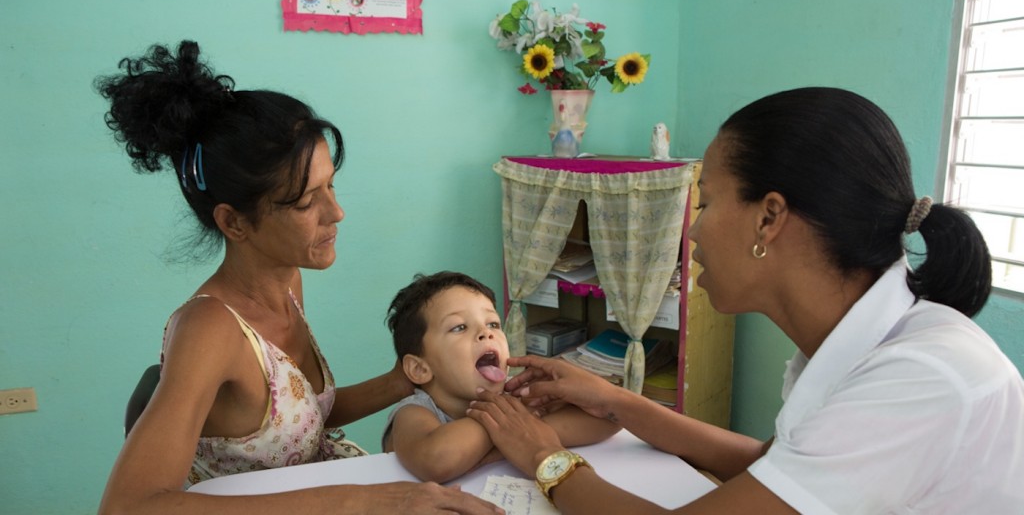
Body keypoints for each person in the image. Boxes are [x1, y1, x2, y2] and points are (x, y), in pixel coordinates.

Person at [467, 87, 1024, 514]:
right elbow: (775, 467)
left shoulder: (922, 376)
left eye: (706, 204)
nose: (694, 233)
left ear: (769, 217)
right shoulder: (864, 340)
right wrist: (619, 403)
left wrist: (543, 456)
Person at [95, 40, 503, 515]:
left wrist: (407, 377)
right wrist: (361, 501)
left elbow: (301, 417)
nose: (337, 212)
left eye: (331, 185)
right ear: (235, 223)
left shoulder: (287, 282)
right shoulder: (210, 330)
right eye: (307, 202)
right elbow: (127, 506)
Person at [381, 271, 619, 483]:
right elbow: (437, 459)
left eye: (493, 323)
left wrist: (524, 431)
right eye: (459, 327)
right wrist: (512, 423)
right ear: (420, 369)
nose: (486, 333)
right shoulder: (413, 412)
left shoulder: (514, 397)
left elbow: (610, 418)